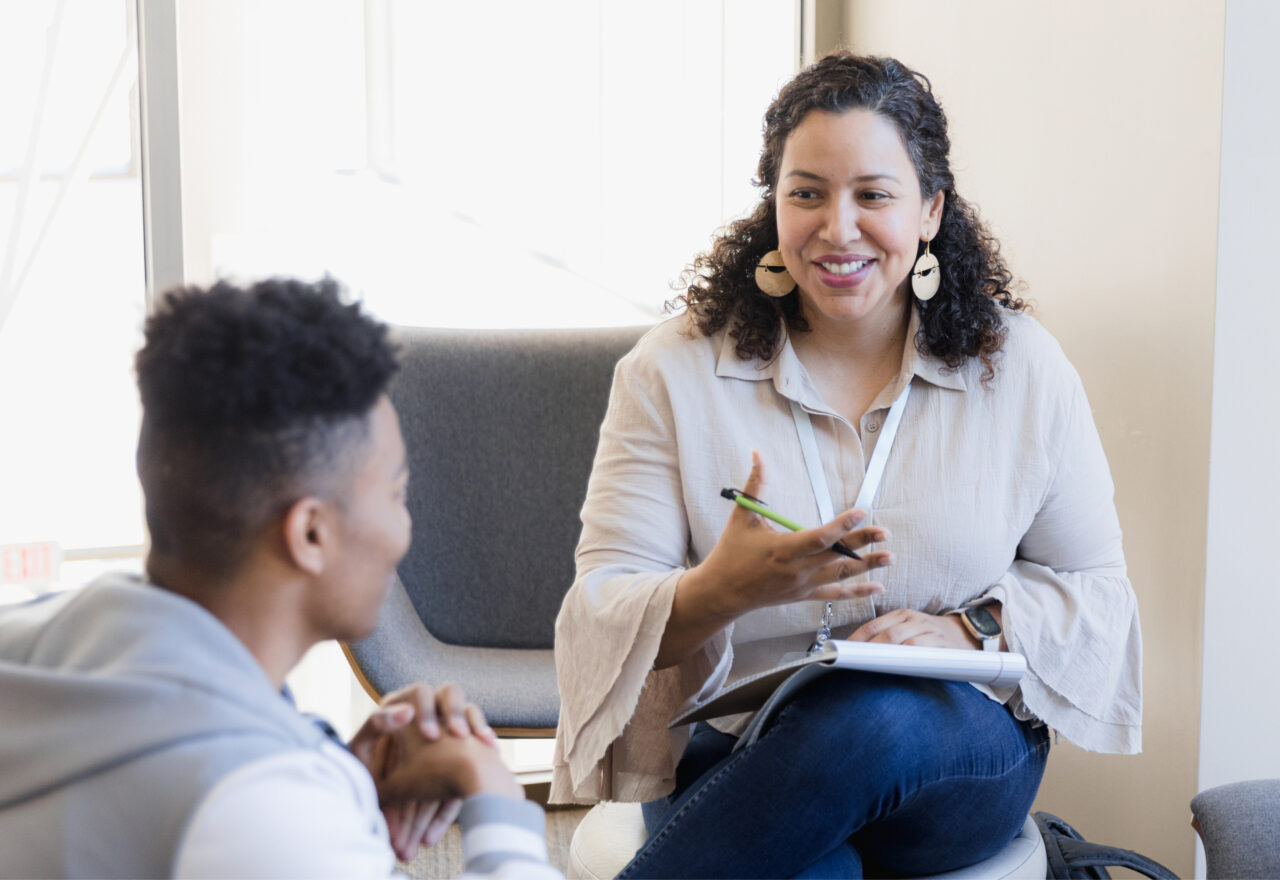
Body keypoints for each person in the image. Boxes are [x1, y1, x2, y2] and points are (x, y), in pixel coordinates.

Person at [551, 52, 1142, 878]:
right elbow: (600, 612)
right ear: (774, 205)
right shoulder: (670, 372)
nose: (837, 228)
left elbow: (1098, 590)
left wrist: (967, 627)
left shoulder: (1021, 370)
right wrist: (727, 590)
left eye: (874, 195)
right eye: (807, 193)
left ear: (930, 210)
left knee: (871, 718)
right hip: (734, 756)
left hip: (952, 755)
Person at [0, 278, 562, 879]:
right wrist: (492, 792)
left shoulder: (34, 637)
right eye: (396, 493)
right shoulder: (258, 810)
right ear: (310, 534)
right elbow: (251, 822)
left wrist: (330, 773)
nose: (407, 525)